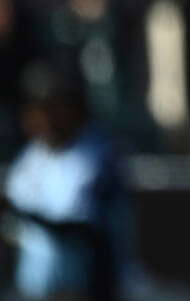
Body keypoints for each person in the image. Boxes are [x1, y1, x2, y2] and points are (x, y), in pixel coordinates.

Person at [3, 62, 132, 301]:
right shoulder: (33, 154)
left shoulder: (97, 153)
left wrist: (15, 210)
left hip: (88, 290)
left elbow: (77, 226)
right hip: (36, 290)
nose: (43, 118)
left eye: (53, 108)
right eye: (37, 109)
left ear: (74, 109)